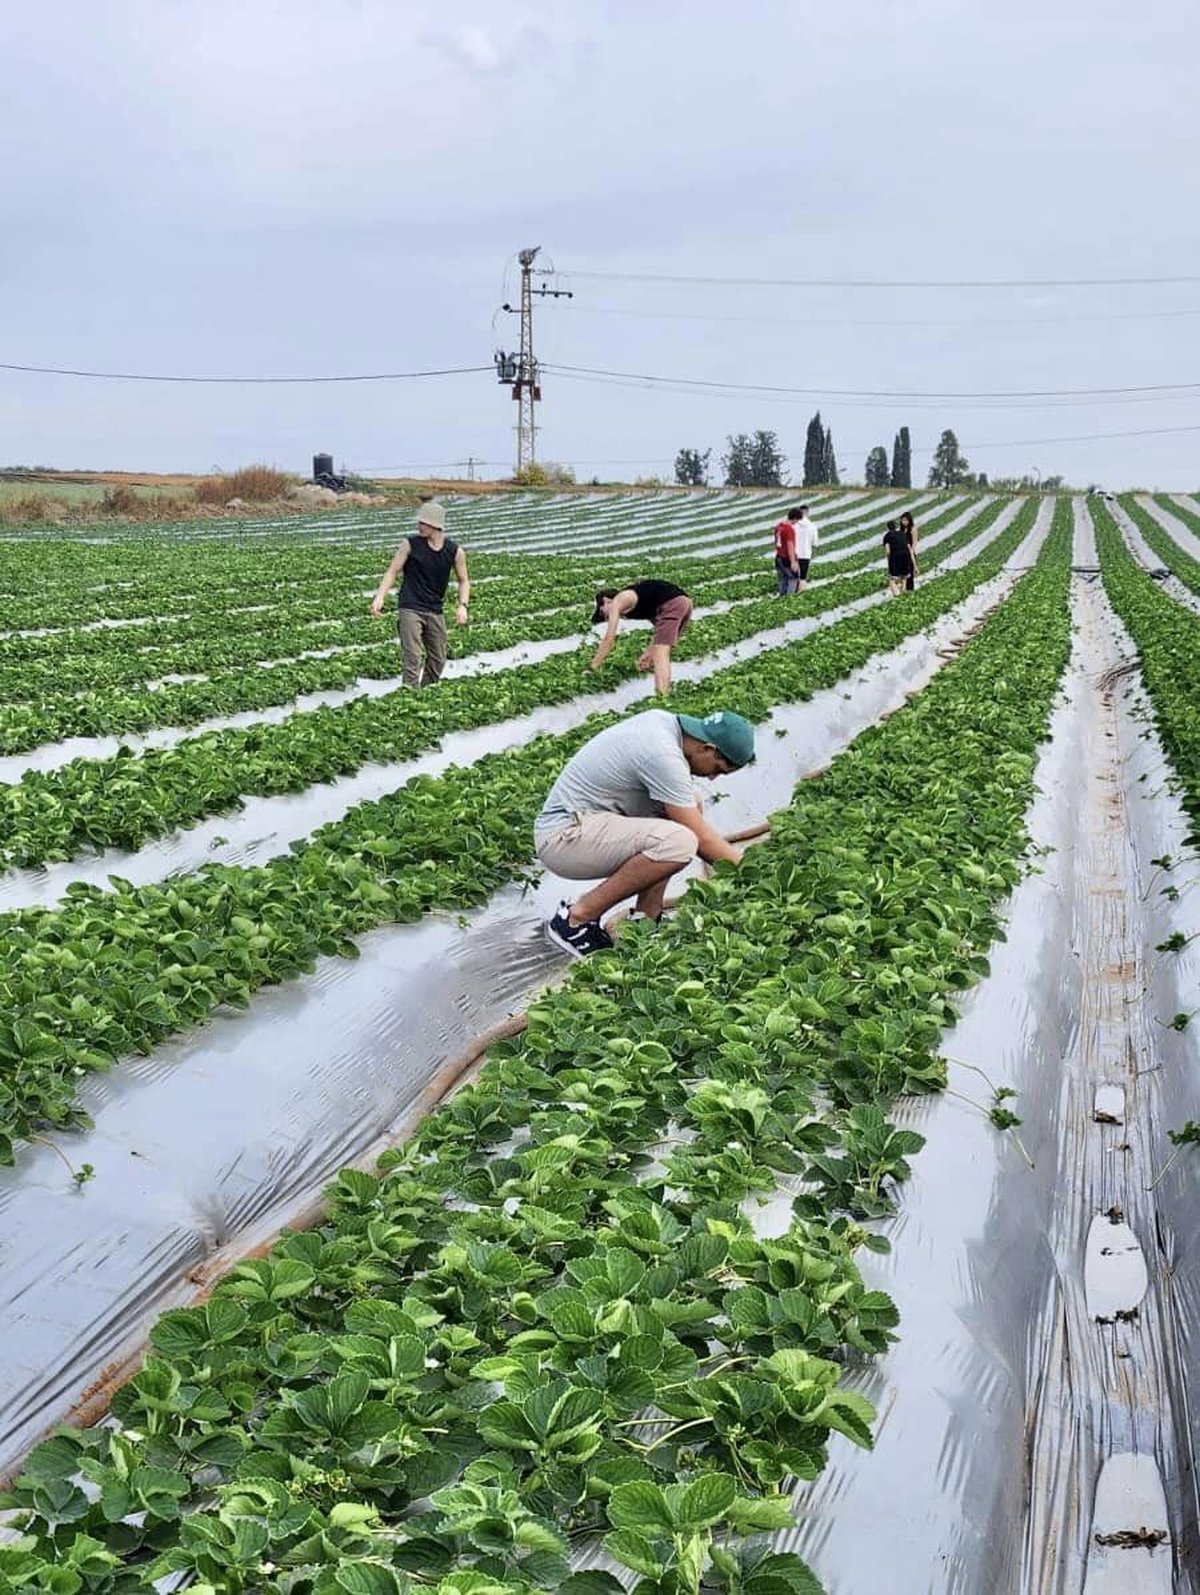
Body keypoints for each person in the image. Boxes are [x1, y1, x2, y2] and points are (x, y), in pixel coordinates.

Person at [535, 707, 757, 957]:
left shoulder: (665, 723)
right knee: (681, 841)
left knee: (688, 806)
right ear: (707, 748)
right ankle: (576, 918)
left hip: (589, 822)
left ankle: (646, 921)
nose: (714, 778)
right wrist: (755, 874)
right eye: (718, 768)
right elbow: (701, 839)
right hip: (562, 838)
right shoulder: (662, 754)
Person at [370, 501, 470, 686]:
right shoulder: (410, 544)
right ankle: (409, 696)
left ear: (436, 525)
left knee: (438, 658)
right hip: (410, 606)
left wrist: (462, 606)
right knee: (413, 657)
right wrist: (380, 596)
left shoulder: (455, 552)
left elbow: (464, 580)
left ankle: (426, 693)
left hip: (434, 609)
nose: (420, 526)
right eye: (420, 523)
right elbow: (392, 571)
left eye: (424, 523)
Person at [589, 580, 693, 694]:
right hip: (685, 603)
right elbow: (659, 630)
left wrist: (593, 667)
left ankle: (662, 697)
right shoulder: (643, 601)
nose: (607, 617)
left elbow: (609, 639)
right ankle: (664, 694)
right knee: (660, 650)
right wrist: (648, 653)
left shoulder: (617, 602)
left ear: (606, 601)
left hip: (673, 603)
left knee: (661, 653)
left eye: (603, 612)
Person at [882, 518, 914, 596]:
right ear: (896, 527)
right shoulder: (902, 533)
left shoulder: (887, 536)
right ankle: (903, 593)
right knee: (904, 576)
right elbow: (908, 546)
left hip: (895, 556)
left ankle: (896, 595)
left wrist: (889, 561)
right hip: (906, 556)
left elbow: (888, 551)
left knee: (892, 579)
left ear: (888, 528)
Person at [773, 509, 801, 596]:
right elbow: (790, 546)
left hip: (778, 557)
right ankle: (790, 599)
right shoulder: (789, 529)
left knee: (782, 580)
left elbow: (776, 542)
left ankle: (782, 600)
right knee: (793, 579)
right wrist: (793, 562)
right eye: (797, 520)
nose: (796, 523)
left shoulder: (779, 526)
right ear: (795, 518)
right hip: (786, 558)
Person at [793, 504, 820, 590]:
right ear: (807, 513)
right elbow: (815, 543)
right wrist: (812, 553)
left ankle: (792, 594)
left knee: (794, 578)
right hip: (806, 554)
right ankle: (801, 594)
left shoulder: (793, 526)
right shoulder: (813, 526)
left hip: (794, 555)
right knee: (803, 577)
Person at [899, 510, 918, 591]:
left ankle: (910, 591)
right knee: (902, 576)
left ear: (910, 520)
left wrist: (911, 553)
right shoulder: (902, 530)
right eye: (903, 520)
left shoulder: (913, 529)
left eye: (906, 520)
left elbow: (914, 543)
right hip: (901, 554)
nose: (904, 522)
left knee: (909, 575)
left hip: (910, 554)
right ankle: (903, 591)